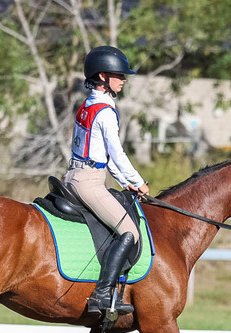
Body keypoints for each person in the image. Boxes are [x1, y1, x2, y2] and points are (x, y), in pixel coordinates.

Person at [64, 45, 150, 317]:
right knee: (130, 232)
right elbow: (117, 153)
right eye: (119, 75)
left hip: (74, 175)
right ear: (103, 76)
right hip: (88, 182)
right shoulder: (105, 112)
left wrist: (125, 182)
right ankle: (102, 294)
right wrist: (139, 181)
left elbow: (102, 156)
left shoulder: (88, 105)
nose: (123, 79)